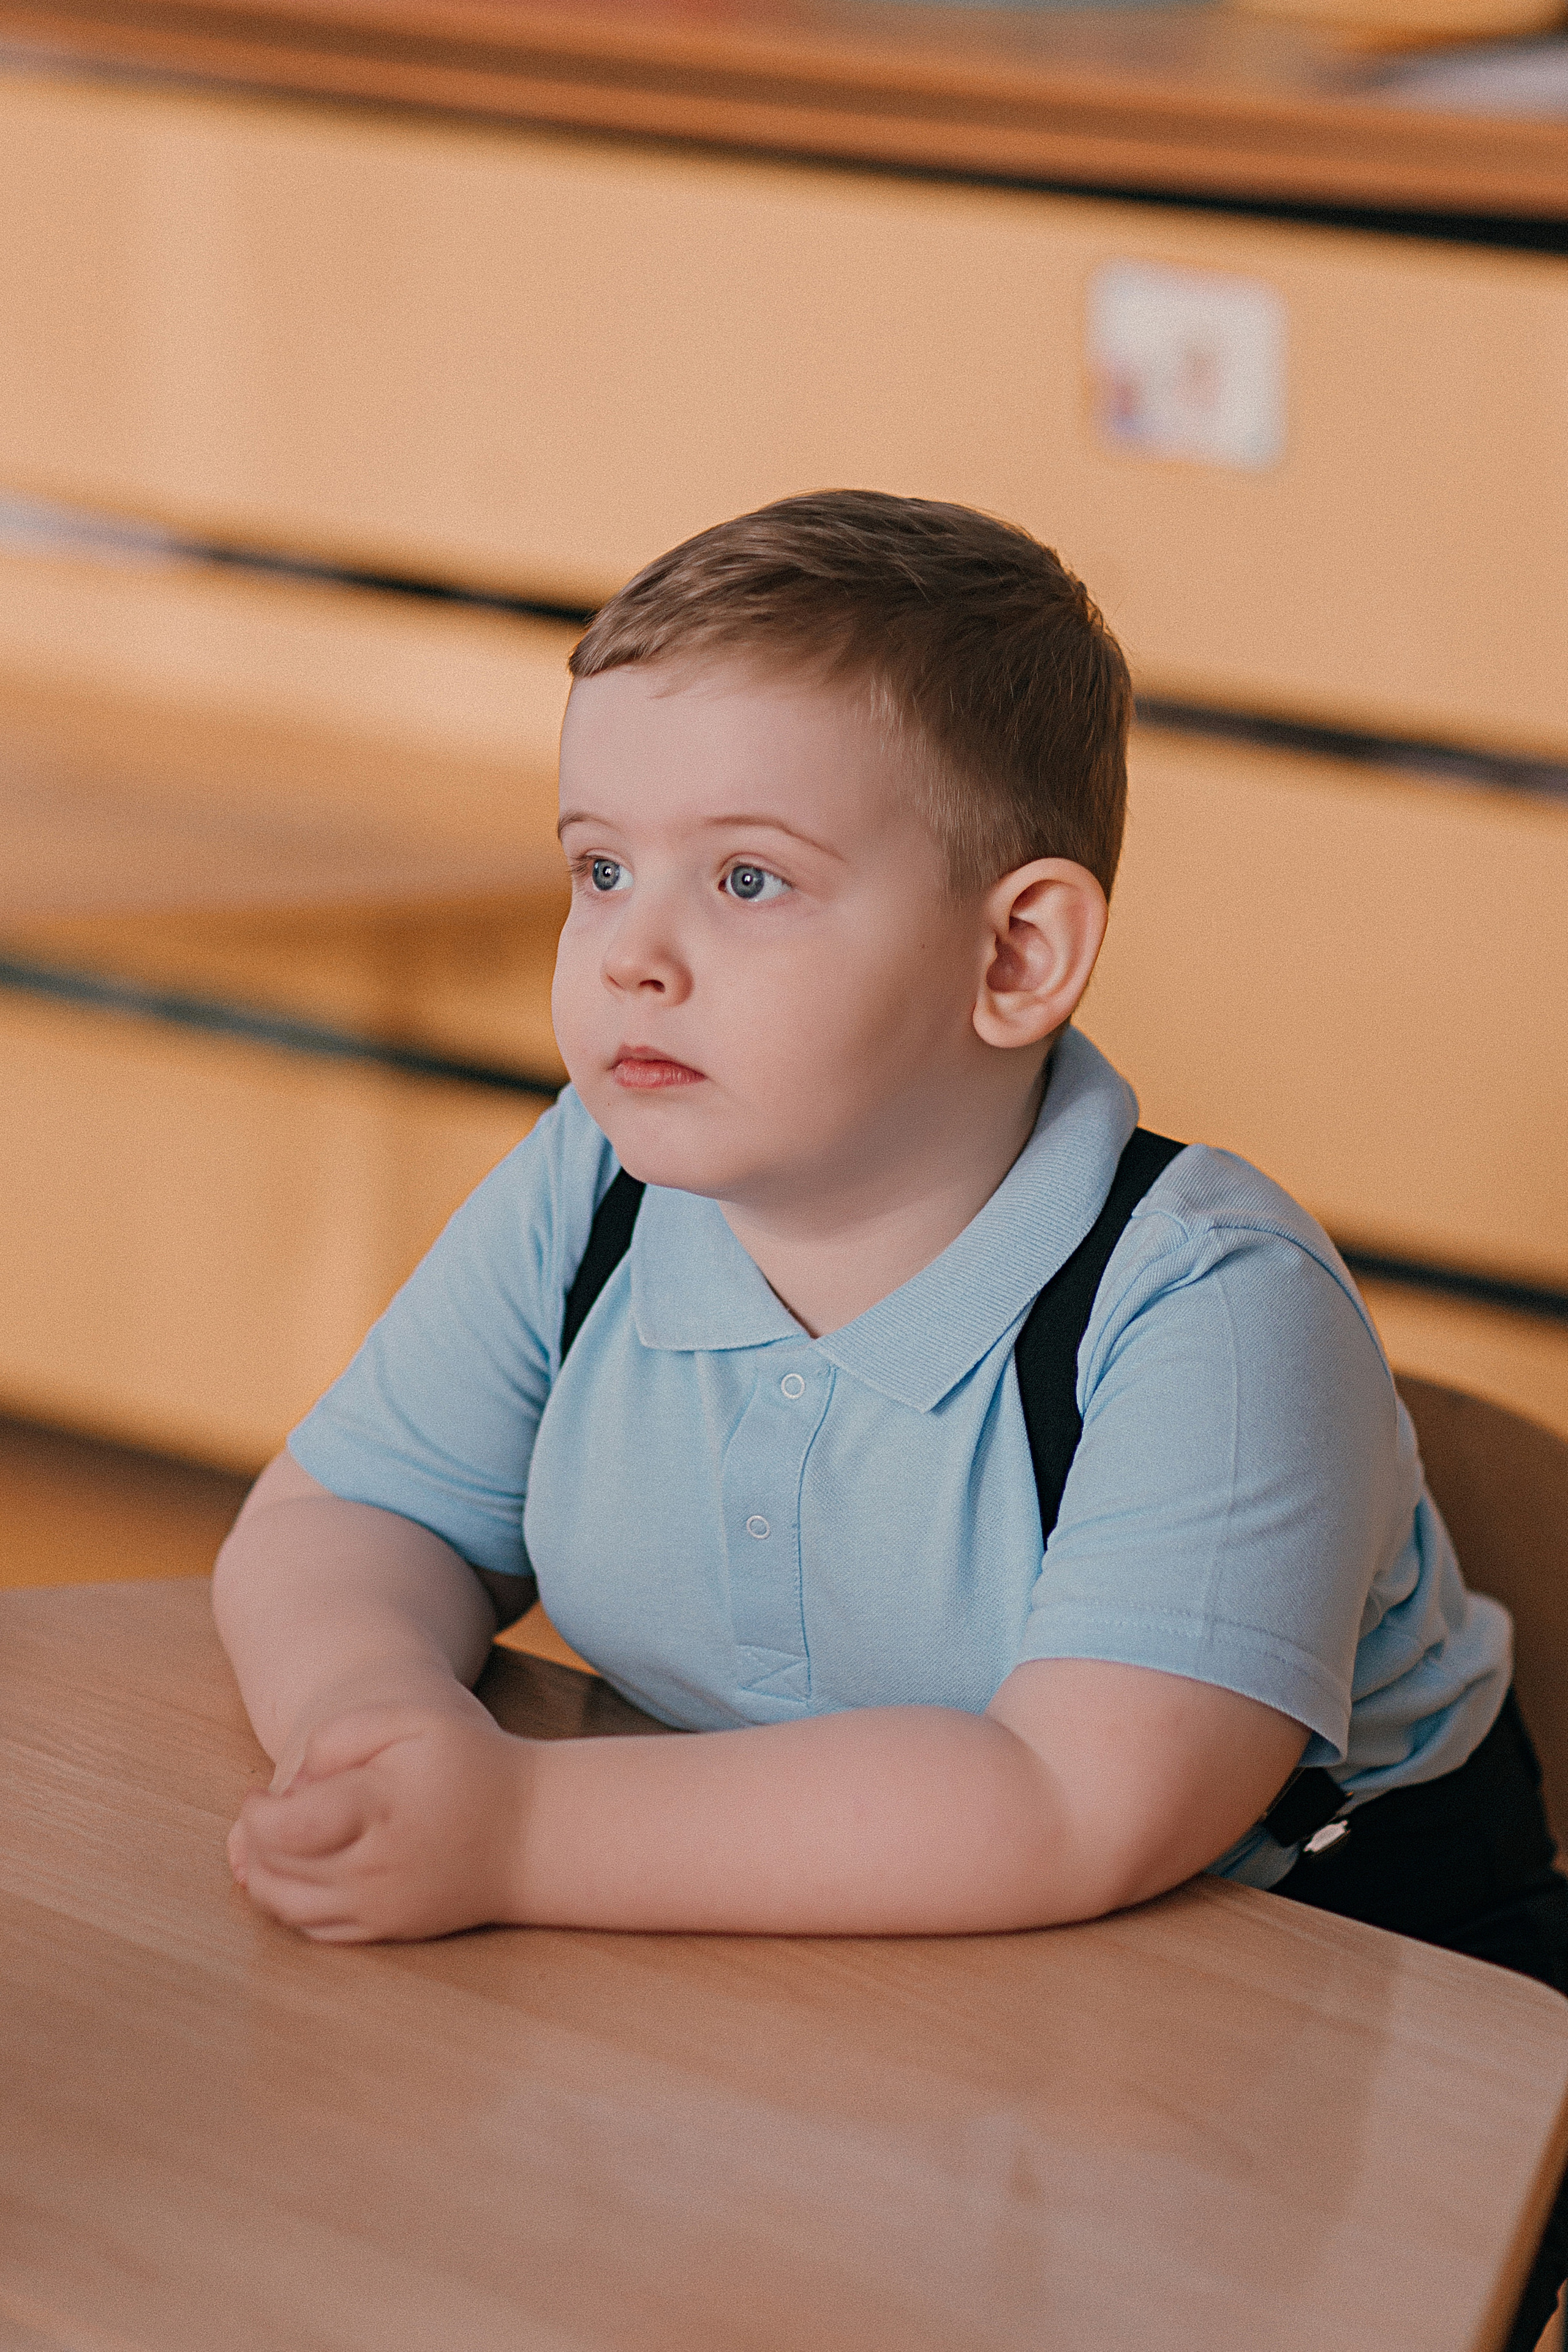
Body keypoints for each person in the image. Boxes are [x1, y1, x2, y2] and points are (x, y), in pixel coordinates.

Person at [216, 491, 1566, 2345]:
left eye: (745, 882)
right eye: (599, 869)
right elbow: (341, 1517)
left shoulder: (1216, 1311)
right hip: (832, 1970)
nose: (631, 955)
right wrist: (373, 1722)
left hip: (1314, 2027)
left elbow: (1073, 1806)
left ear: (1017, 958)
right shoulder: (593, 1185)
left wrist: (515, 1830)